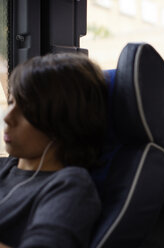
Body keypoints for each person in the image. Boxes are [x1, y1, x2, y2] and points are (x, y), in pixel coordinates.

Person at [0, 53, 107, 248]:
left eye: (26, 109)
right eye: (11, 102)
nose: (8, 118)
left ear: (62, 122)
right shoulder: (4, 167)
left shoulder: (71, 186)